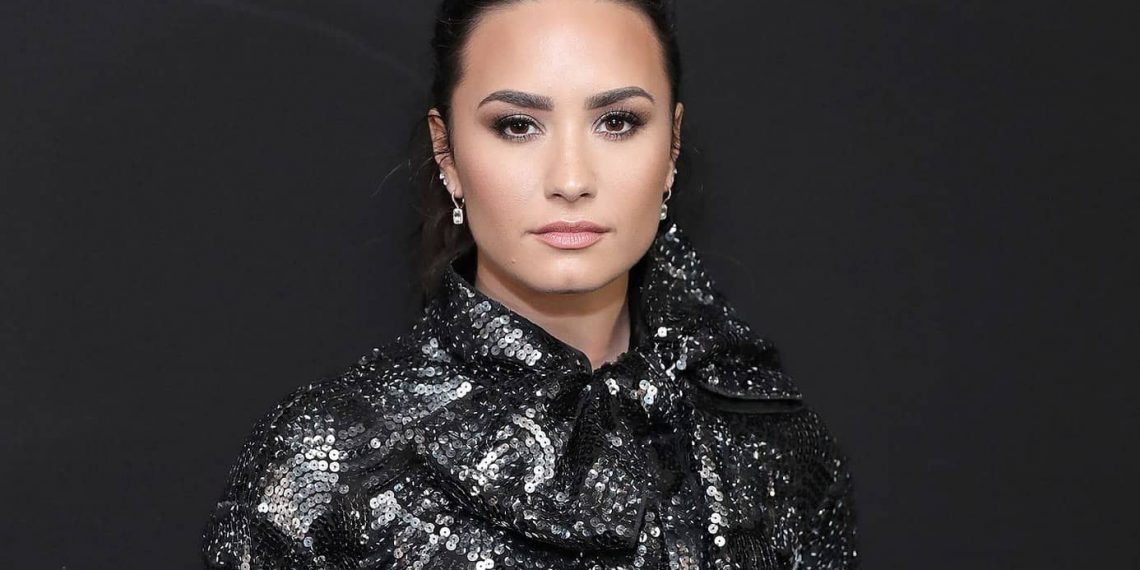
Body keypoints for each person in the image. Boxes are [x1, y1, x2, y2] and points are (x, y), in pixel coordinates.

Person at [201, 0, 860, 568]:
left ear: (673, 147)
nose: (570, 180)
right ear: (446, 153)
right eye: (517, 125)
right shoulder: (322, 471)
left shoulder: (773, 448)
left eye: (617, 121)